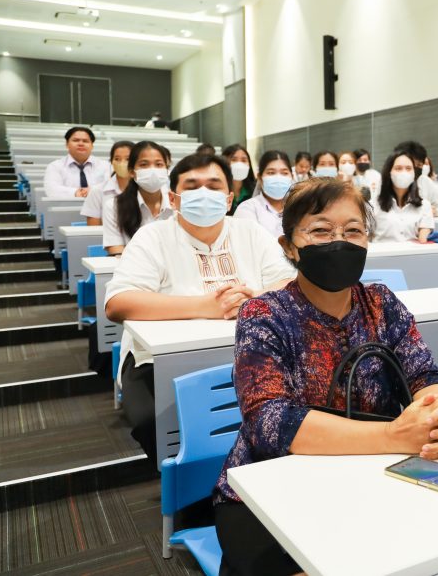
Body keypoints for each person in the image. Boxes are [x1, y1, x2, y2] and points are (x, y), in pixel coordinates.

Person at [213, 178, 438, 576]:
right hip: (269, 491)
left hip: (373, 477)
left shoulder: (381, 303)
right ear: (289, 246)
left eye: (353, 230)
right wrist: (394, 436)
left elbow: (424, 373)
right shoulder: (264, 314)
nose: (339, 241)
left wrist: (432, 414)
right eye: (320, 230)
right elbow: (270, 423)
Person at [104, 153, 296, 467]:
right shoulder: (153, 236)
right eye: (192, 186)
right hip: (160, 361)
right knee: (152, 422)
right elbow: (118, 303)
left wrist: (257, 296)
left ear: (229, 198)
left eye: (214, 185)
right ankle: (190, 485)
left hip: (252, 353)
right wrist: (205, 306)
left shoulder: (250, 232)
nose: (204, 193)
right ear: (173, 198)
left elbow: (290, 282)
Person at [102, 141, 174, 255]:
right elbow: (115, 249)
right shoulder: (114, 206)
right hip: (132, 265)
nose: (153, 170)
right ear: (132, 172)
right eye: (144, 165)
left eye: (159, 164)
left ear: (167, 170)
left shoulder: (178, 203)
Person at [373, 152, 434, 242]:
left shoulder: (424, 205)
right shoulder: (373, 205)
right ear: (389, 172)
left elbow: (423, 240)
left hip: (413, 251)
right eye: (398, 168)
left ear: (414, 173)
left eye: (408, 168)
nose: (404, 172)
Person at [234, 150, 293, 237]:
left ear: (292, 176)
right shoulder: (247, 209)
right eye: (271, 173)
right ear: (260, 178)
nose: (278, 178)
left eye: (284, 173)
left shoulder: (300, 208)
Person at [43, 126, 109, 198]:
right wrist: (76, 193)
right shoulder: (55, 166)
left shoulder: (105, 166)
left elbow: (110, 186)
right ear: (67, 144)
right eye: (76, 140)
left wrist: (90, 191)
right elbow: (52, 190)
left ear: (92, 146)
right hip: (66, 205)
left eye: (85, 141)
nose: (81, 144)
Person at [81, 140, 133, 225]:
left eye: (128, 159)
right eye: (117, 159)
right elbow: (93, 229)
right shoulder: (97, 191)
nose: (122, 163)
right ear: (111, 162)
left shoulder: (144, 189)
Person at [393, 141, 438, 216]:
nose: (414, 168)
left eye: (419, 165)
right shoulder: (387, 183)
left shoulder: (424, 181)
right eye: (411, 164)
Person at [221, 144, 256, 215]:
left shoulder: (255, 191)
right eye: (234, 160)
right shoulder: (218, 190)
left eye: (244, 160)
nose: (239, 164)